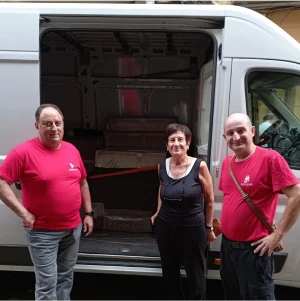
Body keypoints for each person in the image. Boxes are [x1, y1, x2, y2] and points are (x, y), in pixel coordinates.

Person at [0, 104, 94, 301]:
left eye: (57, 123)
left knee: (65, 278)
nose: (54, 128)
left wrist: (88, 214)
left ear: (63, 124)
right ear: (37, 126)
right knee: (46, 285)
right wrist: (23, 213)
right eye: (47, 124)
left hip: (73, 228)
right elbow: (1, 183)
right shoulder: (23, 153)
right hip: (43, 233)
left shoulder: (71, 150)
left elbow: (83, 182)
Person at [219, 113, 300, 301]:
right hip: (228, 248)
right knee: (232, 295)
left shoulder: (270, 159)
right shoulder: (226, 163)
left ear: (253, 131)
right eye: (230, 133)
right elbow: (232, 201)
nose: (236, 137)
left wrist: (277, 235)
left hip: (254, 251)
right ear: (225, 138)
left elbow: (296, 195)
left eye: (241, 130)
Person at [151, 123, 216, 301]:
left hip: (192, 228)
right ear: (167, 145)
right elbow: (161, 187)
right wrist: (158, 211)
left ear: (188, 143)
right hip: (165, 227)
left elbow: (210, 200)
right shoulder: (162, 166)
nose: (176, 144)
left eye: (180, 139)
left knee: (195, 273)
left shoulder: (199, 166)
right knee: (169, 271)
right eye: (172, 140)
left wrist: (209, 227)